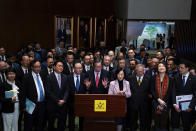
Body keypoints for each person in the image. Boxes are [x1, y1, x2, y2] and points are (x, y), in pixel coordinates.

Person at [21, 59, 46, 131]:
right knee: (28, 124)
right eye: (36, 67)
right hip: (30, 104)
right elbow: (23, 93)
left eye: (39, 66)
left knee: (40, 124)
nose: (38, 68)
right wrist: (23, 106)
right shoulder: (26, 77)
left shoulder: (43, 74)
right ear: (31, 67)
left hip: (41, 104)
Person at [45, 60, 69, 131]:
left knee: (61, 123)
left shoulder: (65, 77)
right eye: (59, 66)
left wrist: (64, 100)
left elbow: (67, 90)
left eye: (62, 66)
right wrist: (57, 100)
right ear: (54, 67)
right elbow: (48, 92)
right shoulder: (49, 77)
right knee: (51, 123)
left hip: (63, 104)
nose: (61, 67)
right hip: (52, 104)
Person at [172, 61, 196, 131]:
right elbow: (174, 91)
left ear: (187, 68)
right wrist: (174, 104)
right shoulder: (176, 77)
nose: (179, 69)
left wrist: (191, 106)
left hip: (188, 107)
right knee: (175, 125)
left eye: (182, 68)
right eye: (179, 67)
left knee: (186, 124)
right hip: (177, 106)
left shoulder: (194, 79)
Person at [128, 64, 151, 131]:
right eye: (138, 71)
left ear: (144, 71)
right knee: (133, 120)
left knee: (143, 120)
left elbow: (150, 90)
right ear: (135, 71)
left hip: (144, 103)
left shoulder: (149, 78)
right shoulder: (130, 78)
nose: (140, 73)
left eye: (141, 71)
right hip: (133, 103)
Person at [151, 62, 173, 131]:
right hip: (156, 103)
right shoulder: (153, 78)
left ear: (166, 68)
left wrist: (163, 102)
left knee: (164, 122)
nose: (161, 67)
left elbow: (171, 92)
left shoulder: (171, 79)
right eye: (159, 66)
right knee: (157, 122)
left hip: (166, 103)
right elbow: (152, 90)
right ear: (157, 68)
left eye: (163, 66)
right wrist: (158, 100)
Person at [67, 61, 87, 131]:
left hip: (82, 102)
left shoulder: (85, 76)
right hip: (71, 102)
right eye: (77, 68)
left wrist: (88, 87)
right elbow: (67, 90)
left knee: (82, 119)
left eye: (81, 68)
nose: (79, 69)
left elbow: (88, 88)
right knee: (71, 119)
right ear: (74, 69)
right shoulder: (68, 77)